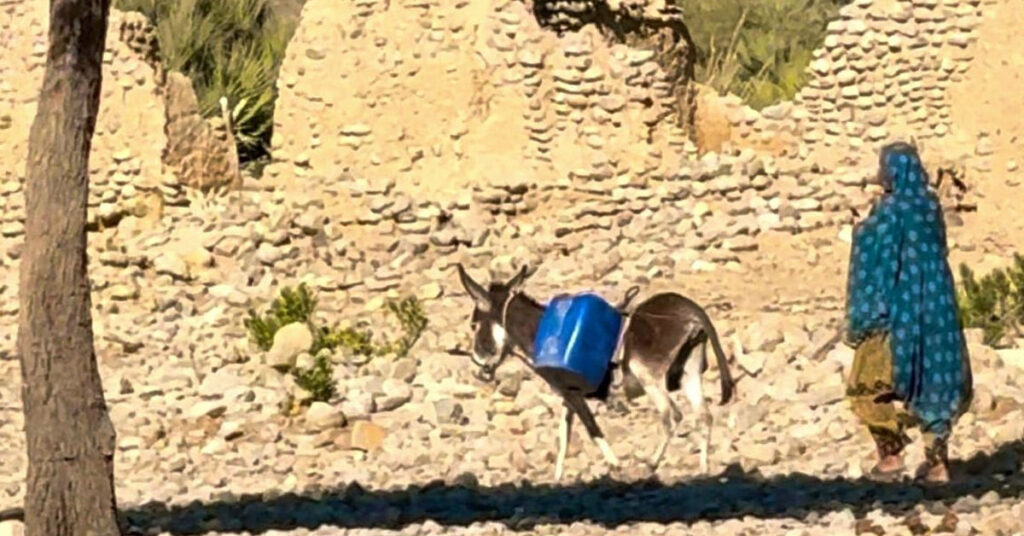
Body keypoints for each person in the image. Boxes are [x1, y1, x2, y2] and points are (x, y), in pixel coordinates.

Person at [843, 141, 973, 484]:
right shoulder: (930, 205)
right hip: (937, 308)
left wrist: (860, 229)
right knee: (937, 386)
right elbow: (939, 246)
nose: (880, 174)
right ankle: (937, 464)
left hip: (898, 310)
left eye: (884, 167)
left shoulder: (890, 211)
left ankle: (891, 454)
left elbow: (876, 255)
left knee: (865, 386)